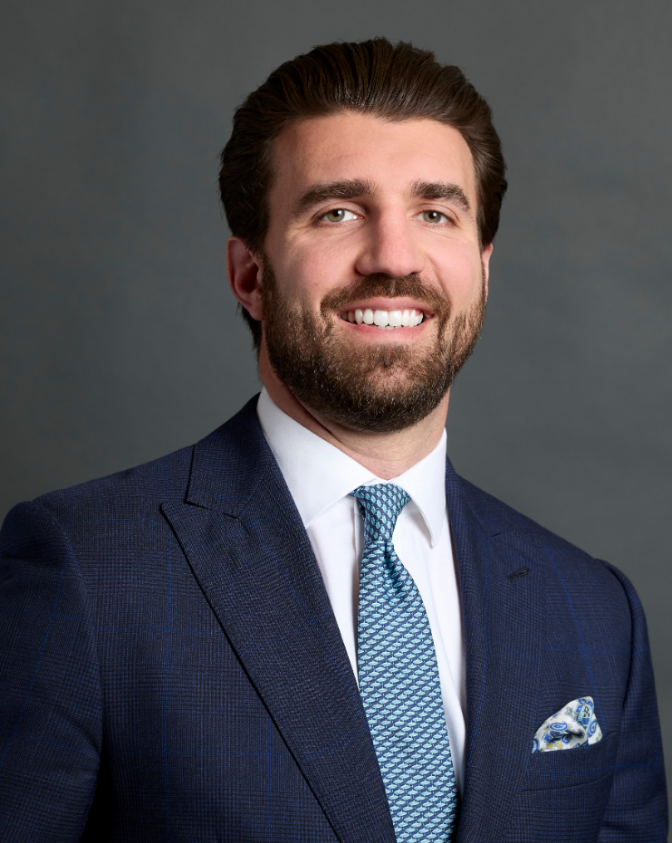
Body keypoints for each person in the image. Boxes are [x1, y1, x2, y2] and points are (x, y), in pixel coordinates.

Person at [0, 38, 667, 843]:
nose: (393, 258)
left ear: (483, 269)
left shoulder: (594, 611)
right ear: (251, 276)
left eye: (435, 212)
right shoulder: (85, 569)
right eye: (337, 212)